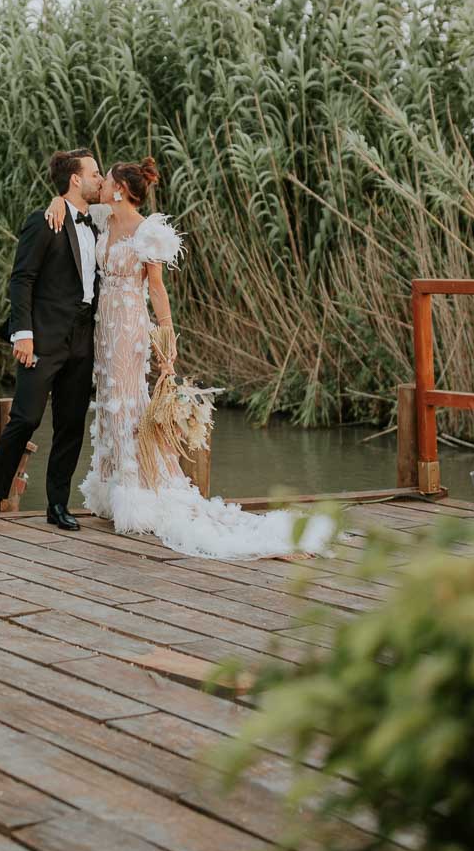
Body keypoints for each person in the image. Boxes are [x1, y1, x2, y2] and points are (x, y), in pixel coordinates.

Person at [45, 158, 332, 560]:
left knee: (129, 403)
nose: (102, 184)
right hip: (102, 329)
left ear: (121, 190)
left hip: (129, 327)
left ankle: (137, 492)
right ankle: (113, 490)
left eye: (106, 180)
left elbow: (158, 290)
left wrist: (167, 336)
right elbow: (68, 202)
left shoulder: (148, 231)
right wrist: (57, 202)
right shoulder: (101, 218)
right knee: (109, 404)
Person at [0, 148, 104, 535]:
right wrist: (23, 334)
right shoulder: (45, 221)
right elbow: (21, 278)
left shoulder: (93, 225)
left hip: (83, 338)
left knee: (71, 423)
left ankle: (57, 504)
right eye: (94, 173)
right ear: (75, 179)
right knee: (25, 419)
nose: (99, 178)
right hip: (43, 338)